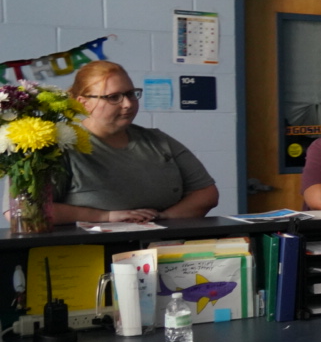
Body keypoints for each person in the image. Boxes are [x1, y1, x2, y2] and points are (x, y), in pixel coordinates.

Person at [49, 61, 219, 224]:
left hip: (162, 245)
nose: (128, 104)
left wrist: (163, 217)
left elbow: (206, 194)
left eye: (131, 94)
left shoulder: (158, 141)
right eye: (113, 97)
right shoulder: (62, 147)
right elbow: (33, 211)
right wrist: (104, 216)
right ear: (84, 103)